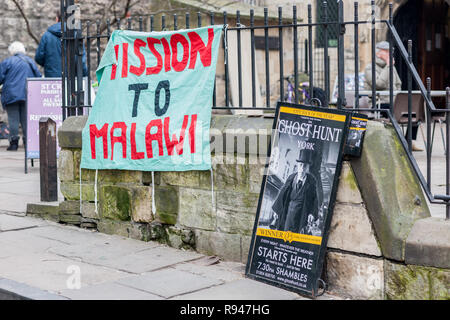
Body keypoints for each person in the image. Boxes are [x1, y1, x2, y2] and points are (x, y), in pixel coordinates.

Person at [364, 41, 422, 151]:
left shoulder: (390, 67)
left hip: (393, 102)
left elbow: (398, 84)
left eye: (390, 52)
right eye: (387, 51)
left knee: (413, 111)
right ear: (378, 53)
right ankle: (398, 142)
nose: (390, 54)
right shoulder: (370, 68)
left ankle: (409, 141)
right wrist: (388, 66)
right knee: (391, 109)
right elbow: (378, 84)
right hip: (378, 103)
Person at [0, 42, 41, 151]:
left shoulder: (8, 62)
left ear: (12, 51)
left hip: (11, 95)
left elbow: (0, 77)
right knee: (25, 119)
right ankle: (28, 142)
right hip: (28, 93)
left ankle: (14, 143)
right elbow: (38, 76)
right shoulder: (30, 61)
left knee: (13, 119)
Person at [270, 147, 319, 235]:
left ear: (308, 167)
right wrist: (277, 210)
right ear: (297, 166)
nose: (302, 168)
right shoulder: (291, 177)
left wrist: (312, 213)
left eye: (305, 166)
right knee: (284, 235)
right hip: (288, 213)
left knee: (297, 238)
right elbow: (282, 193)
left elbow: (314, 199)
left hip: (302, 214)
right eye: (301, 165)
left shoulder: (311, 181)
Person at [35, 10, 87, 77]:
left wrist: (49, 65)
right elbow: (81, 61)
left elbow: (39, 57)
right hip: (71, 79)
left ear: (57, 19)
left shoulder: (47, 35)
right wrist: (85, 76)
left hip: (52, 79)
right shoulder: (75, 35)